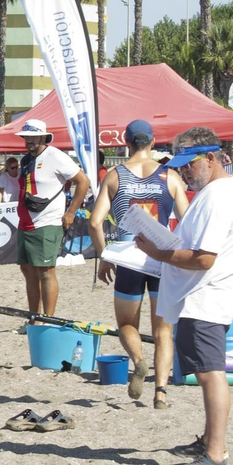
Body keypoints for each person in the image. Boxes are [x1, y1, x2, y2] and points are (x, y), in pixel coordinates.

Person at [137, 130, 233, 465]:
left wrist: (159, 252)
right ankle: (209, 442)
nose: (184, 172)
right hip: (202, 294)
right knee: (207, 371)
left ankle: (216, 454)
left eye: (190, 164)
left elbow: (204, 258)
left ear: (212, 159)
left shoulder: (219, 196)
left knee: (210, 373)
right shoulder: (214, 191)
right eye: (181, 166)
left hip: (207, 295)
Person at [87, 119, 189, 407]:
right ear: (153, 143)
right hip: (162, 258)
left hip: (129, 259)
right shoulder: (169, 176)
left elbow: (95, 223)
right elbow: (188, 220)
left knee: (127, 323)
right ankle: (160, 392)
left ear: (126, 143)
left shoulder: (114, 176)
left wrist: (105, 256)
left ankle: (139, 361)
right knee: (163, 330)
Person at [12, 119, 91, 319]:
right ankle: (34, 317)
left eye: (32, 137)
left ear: (42, 137)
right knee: (28, 271)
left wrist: (71, 212)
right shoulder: (26, 159)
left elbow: (82, 181)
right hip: (25, 223)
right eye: (25, 137)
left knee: (46, 271)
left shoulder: (55, 156)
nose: (28, 141)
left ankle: (48, 319)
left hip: (47, 223)